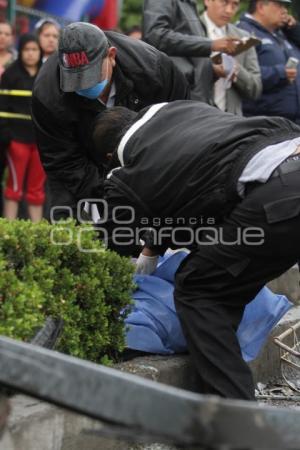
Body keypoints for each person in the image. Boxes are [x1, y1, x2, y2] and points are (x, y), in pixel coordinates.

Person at [92, 100, 300, 400]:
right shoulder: (177, 111)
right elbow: (197, 185)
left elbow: (114, 234)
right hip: (286, 156)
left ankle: (237, 424)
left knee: (199, 289)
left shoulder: (131, 170)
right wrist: (154, 245)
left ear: (110, 157)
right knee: (224, 279)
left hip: (280, 192)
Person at [31, 22, 190, 221]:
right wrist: (112, 194)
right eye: (75, 80)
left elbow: (181, 126)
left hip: (148, 156)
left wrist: (143, 186)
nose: (83, 85)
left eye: (90, 76)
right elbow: (63, 161)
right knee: (67, 222)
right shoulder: (48, 93)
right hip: (80, 161)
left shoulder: (153, 70)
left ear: (111, 56)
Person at [143, 0, 242, 104]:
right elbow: (155, 36)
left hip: (195, 98)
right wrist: (210, 44)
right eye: (224, 2)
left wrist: (212, 69)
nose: (229, 10)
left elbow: (190, 57)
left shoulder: (189, 3)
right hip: (176, 100)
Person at [0, 34, 45, 222]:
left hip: (40, 141)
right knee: (14, 186)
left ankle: (37, 233)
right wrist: (6, 135)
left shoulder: (47, 74)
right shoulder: (11, 74)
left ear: (40, 52)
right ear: (21, 51)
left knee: (36, 188)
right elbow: (2, 106)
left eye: (34, 49)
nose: (30, 54)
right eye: (27, 49)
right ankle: (10, 231)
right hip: (16, 140)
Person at [238, 0, 300, 122]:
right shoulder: (243, 32)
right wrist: (280, 73)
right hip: (266, 122)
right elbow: (240, 74)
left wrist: (294, 29)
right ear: (261, 7)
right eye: (280, 5)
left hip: (293, 122)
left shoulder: (283, 32)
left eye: (286, 6)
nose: (285, 11)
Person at [200, 0, 262, 115]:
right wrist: (211, 68)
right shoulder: (188, 33)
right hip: (196, 117)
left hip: (231, 122)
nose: (229, 10)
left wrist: (235, 69)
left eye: (235, 4)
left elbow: (255, 89)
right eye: (224, 2)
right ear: (207, 1)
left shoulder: (244, 37)